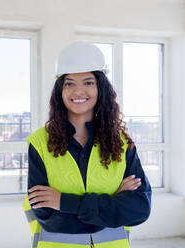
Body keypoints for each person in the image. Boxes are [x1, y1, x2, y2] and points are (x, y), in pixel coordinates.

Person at [22, 42, 151, 248]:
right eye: (69, 83)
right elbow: (46, 215)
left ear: (101, 88)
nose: (78, 91)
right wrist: (112, 203)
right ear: (60, 90)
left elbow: (139, 209)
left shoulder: (122, 143)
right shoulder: (39, 143)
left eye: (88, 82)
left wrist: (64, 202)